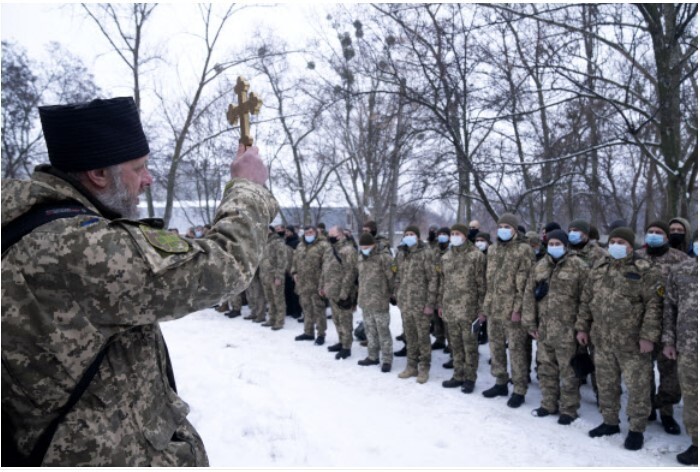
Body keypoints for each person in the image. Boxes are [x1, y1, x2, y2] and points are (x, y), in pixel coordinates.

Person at [1, 97, 276, 466]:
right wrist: (248, 188)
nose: (148, 180)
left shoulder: (26, 225)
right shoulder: (78, 246)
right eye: (139, 168)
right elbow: (225, 266)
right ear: (98, 174)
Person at [576, 227, 662, 451]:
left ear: (631, 246)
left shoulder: (645, 270)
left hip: (632, 342)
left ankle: (636, 429)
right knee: (606, 384)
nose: (615, 245)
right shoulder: (599, 268)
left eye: (620, 242)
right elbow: (586, 300)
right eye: (612, 241)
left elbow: (654, 306)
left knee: (638, 387)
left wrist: (648, 337)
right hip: (602, 339)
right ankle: (610, 422)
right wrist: (582, 328)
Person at [522, 230, 588, 425]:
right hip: (544, 329)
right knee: (546, 369)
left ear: (566, 245)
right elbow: (529, 296)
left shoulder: (579, 267)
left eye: (558, 243)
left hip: (568, 331)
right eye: (551, 243)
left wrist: (582, 326)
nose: (554, 247)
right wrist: (530, 323)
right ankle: (548, 403)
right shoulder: (540, 266)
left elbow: (586, 299)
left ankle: (569, 409)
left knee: (568, 372)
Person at [635, 220, 687, 434]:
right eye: (650, 232)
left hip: (669, 326)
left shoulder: (680, 259)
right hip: (642, 324)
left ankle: (666, 412)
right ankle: (648, 409)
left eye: (658, 232)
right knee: (643, 370)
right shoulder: (636, 257)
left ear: (666, 237)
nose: (654, 235)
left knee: (669, 373)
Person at [481, 213, 533, 408]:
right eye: (500, 226)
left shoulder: (523, 250)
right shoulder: (493, 250)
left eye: (507, 227)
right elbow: (489, 281)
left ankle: (519, 389)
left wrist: (518, 308)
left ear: (514, 230)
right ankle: (500, 382)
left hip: (512, 310)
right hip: (494, 307)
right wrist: (486, 307)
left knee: (516, 350)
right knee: (495, 347)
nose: (503, 229)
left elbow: (525, 283)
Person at [662, 230, 698, 465]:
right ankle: (697, 442)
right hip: (689, 346)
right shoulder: (681, 270)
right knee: (693, 396)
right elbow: (669, 308)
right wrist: (669, 340)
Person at [437, 224, 486, 393]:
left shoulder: (476, 256)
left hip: (469, 310)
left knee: (470, 347)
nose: (454, 236)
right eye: (452, 233)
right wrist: (441, 304)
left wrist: (481, 310)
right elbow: (442, 283)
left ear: (465, 236)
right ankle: (458, 375)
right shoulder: (446, 257)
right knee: (455, 345)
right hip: (450, 308)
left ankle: (470, 378)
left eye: (458, 233)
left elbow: (482, 285)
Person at [393, 226, 438, 384]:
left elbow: (433, 279)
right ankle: (411, 366)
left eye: (411, 234)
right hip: (406, 304)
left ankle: (424, 368)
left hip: (421, 304)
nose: (408, 237)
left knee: (423, 338)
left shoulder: (426, 253)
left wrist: (430, 304)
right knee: (410, 337)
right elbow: (397, 276)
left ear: (418, 237)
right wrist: (398, 295)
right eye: (406, 234)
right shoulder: (401, 254)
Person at [356, 233, 396, 372]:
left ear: (373, 245)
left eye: (367, 247)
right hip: (365, 300)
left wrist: (392, 294)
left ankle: (387, 360)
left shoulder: (384, 258)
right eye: (362, 247)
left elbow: (392, 278)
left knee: (383, 331)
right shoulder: (361, 257)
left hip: (380, 300)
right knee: (370, 330)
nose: (364, 249)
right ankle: (372, 357)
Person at [319, 226, 358, 359]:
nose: (329, 236)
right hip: (331, 291)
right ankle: (341, 342)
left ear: (341, 235)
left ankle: (346, 347)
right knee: (336, 319)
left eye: (332, 234)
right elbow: (324, 269)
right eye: (329, 234)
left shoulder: (348, 250)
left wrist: (345, 292)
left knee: (345, 320)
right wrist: (322, 286)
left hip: (343, 293)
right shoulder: (330, 249)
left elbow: (350, 273)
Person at [292, 226, 330, 344]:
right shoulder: (300, 245)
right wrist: (294, 272)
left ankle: (321, 334)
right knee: (306, 309)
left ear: (316, 233)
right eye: (306, 232)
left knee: (319, 310)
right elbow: (295, 261)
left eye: (311, 232)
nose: (308, 235)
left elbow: (327, 266)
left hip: (316, 284)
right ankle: (308, 332)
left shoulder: (323, 246)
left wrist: (323, 283)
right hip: (303, 284)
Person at [260, 226, 288, 330]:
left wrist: (279, 276)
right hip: (265, 275)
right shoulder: (264, 243)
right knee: (270, 299)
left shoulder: (278, 242)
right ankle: (272, 318)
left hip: (274, 276)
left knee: (278, 299)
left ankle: (279, 321)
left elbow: (282, 260)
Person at [431, 227, 452, 352]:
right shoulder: (435, 250)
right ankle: (440, 339)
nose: (442, 236)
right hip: (435, 286)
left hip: (447, 287)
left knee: (446, 318)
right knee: (436, 317)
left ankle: (451, 345)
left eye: (445, 234)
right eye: (440, 234)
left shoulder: (451, 250)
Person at [283, 225, 303, 319]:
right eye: (285, 231)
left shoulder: (297, 242)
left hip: (293, 269)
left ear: (292, 232)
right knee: (287, 291)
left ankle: (297, 311)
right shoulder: (285, 241)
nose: (286, 233)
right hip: (285, 269)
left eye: (288, 231)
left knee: (295, 292)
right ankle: (289, 309)